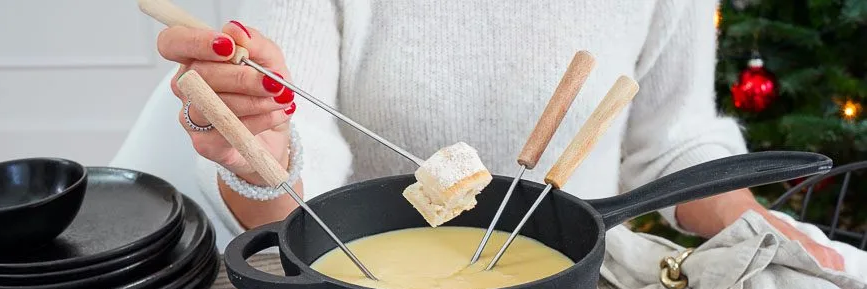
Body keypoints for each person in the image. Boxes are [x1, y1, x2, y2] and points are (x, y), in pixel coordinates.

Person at [156, 0, 843, 270]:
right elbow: (294, 190)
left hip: (581, 288)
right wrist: (260, 149)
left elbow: (671, 142)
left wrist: (756, 226)